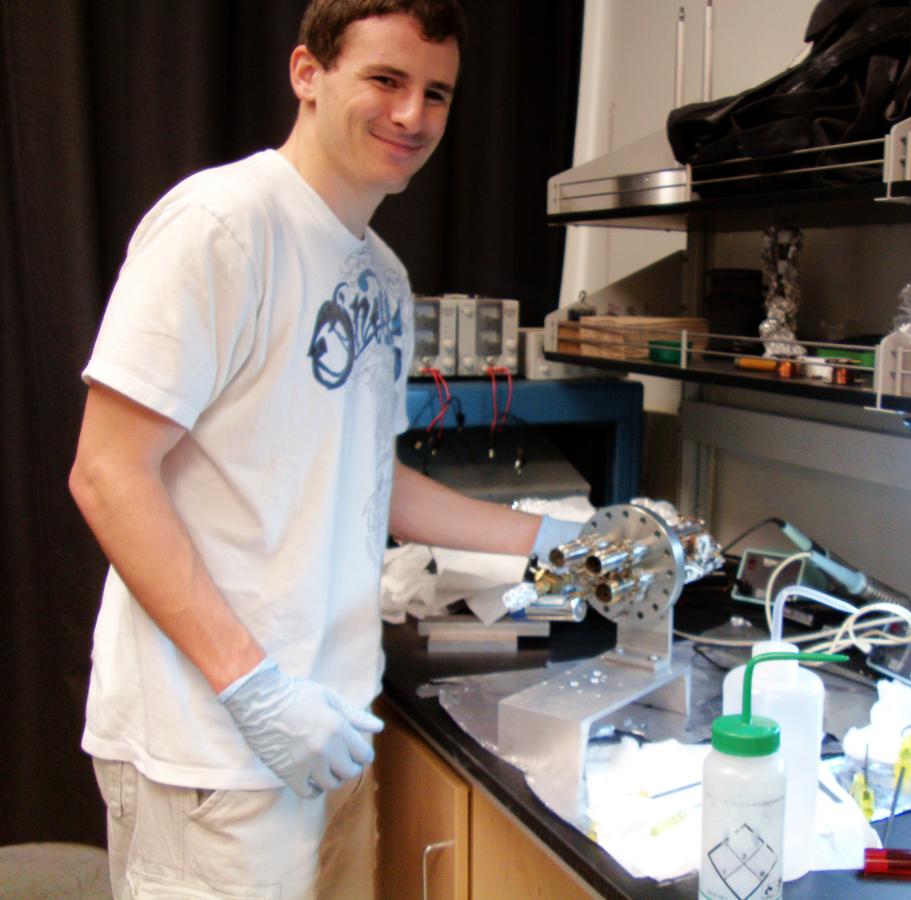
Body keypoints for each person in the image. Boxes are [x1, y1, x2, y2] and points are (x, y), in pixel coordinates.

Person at [68, 1, 578, 896]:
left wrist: (552, 539)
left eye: (437, 93)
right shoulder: (222, 225)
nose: (412, 115)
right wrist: (255, 691)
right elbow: (108, 474)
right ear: (308, 73)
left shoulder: (382, 272)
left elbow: (376, 486)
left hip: (336, 724)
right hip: (214, 746)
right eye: (385, 80)